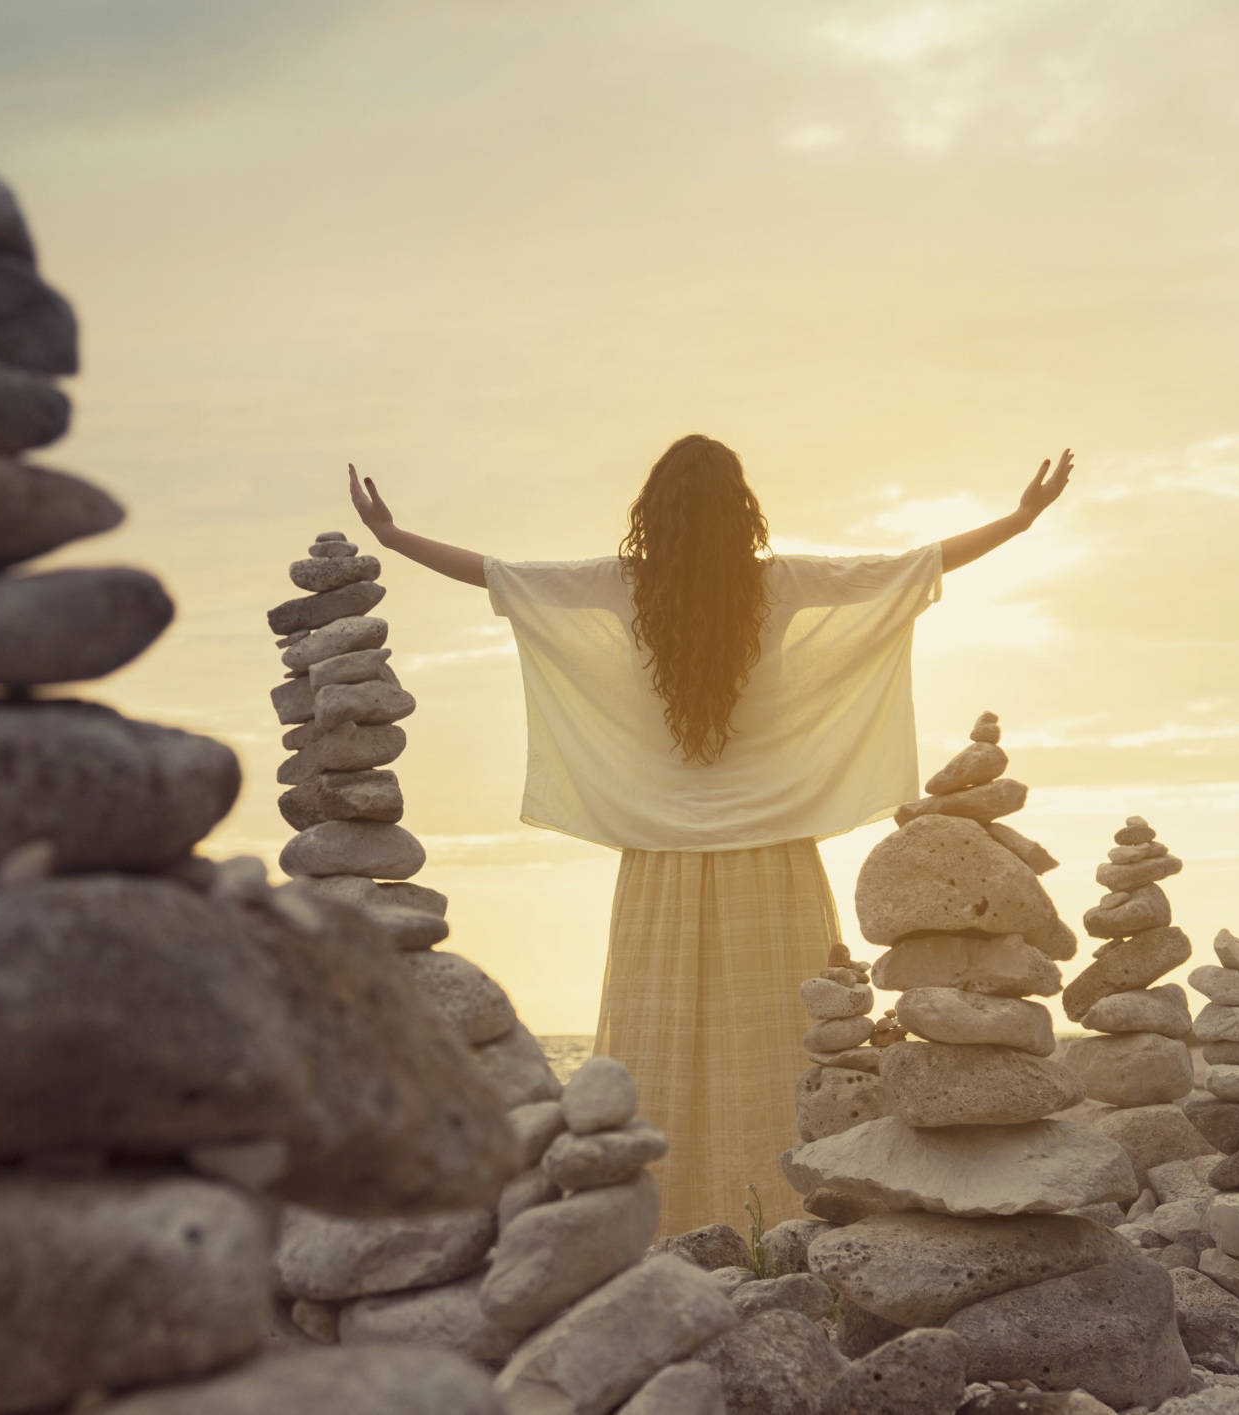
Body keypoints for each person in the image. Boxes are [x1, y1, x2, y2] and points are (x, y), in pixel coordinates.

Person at [347, 435, 1072, 1234]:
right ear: (742, 511)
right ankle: (789, 1218)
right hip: (773, 851)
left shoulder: (623, 585)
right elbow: (913, 564)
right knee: (785, 1046)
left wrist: (394, 538)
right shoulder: (781, 582)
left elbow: (495, 573)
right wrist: (1019, 519)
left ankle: (657, 1221)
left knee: (656, 1046)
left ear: (652, 514)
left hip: (661, 855)